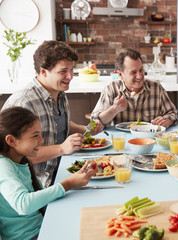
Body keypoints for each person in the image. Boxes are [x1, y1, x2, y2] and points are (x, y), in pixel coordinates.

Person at [1, 41, 103, 187]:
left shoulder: (59, 92)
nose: (70, 76)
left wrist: (85, 129)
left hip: (62, 168)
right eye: (63, 71)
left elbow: (58, 124)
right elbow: (18, 155)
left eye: (71, 69)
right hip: (38, 183)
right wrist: (62, 148)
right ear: (43, 72)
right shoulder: (23, 102)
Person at [0, 107, 98, 240]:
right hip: (29, 236)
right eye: (35, 135)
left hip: (43, 225)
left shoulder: (21, 159)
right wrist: (67, 184)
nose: (41, 140)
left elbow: (39, 196)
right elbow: (23, 205)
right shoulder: (3, 165)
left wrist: (74, 182)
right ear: (11, 141)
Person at [91, 48, 178, 128]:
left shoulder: (155, 87)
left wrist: (167, 121)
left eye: (141, 70)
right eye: (133, 72)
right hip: (122, 141)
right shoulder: (112, 89)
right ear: (120, 74)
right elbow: (94, 121)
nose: (139, 76)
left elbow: (172, 113)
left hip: (150, 140)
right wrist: (114, 109)